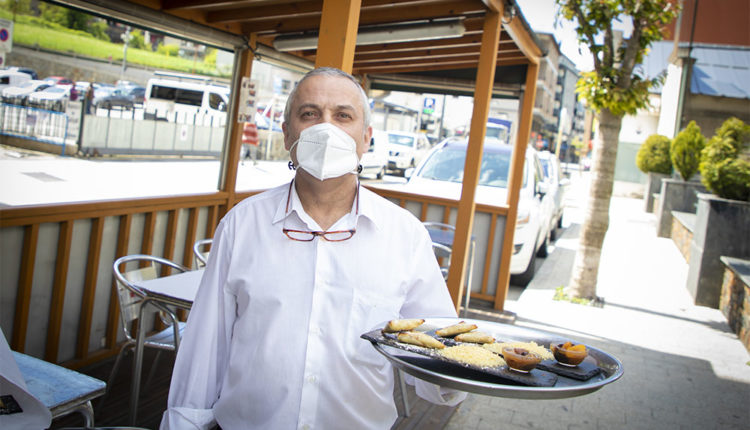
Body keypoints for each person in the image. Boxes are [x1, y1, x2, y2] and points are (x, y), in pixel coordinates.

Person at [160, 67, 466, 430]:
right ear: (287, 134)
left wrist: (467, 369)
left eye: (343, 116)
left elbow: (437, 354)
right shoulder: (241, 226)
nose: (326, 128)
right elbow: (206, 346)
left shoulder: (404, 235)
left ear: (366, 138)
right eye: (309, 114)